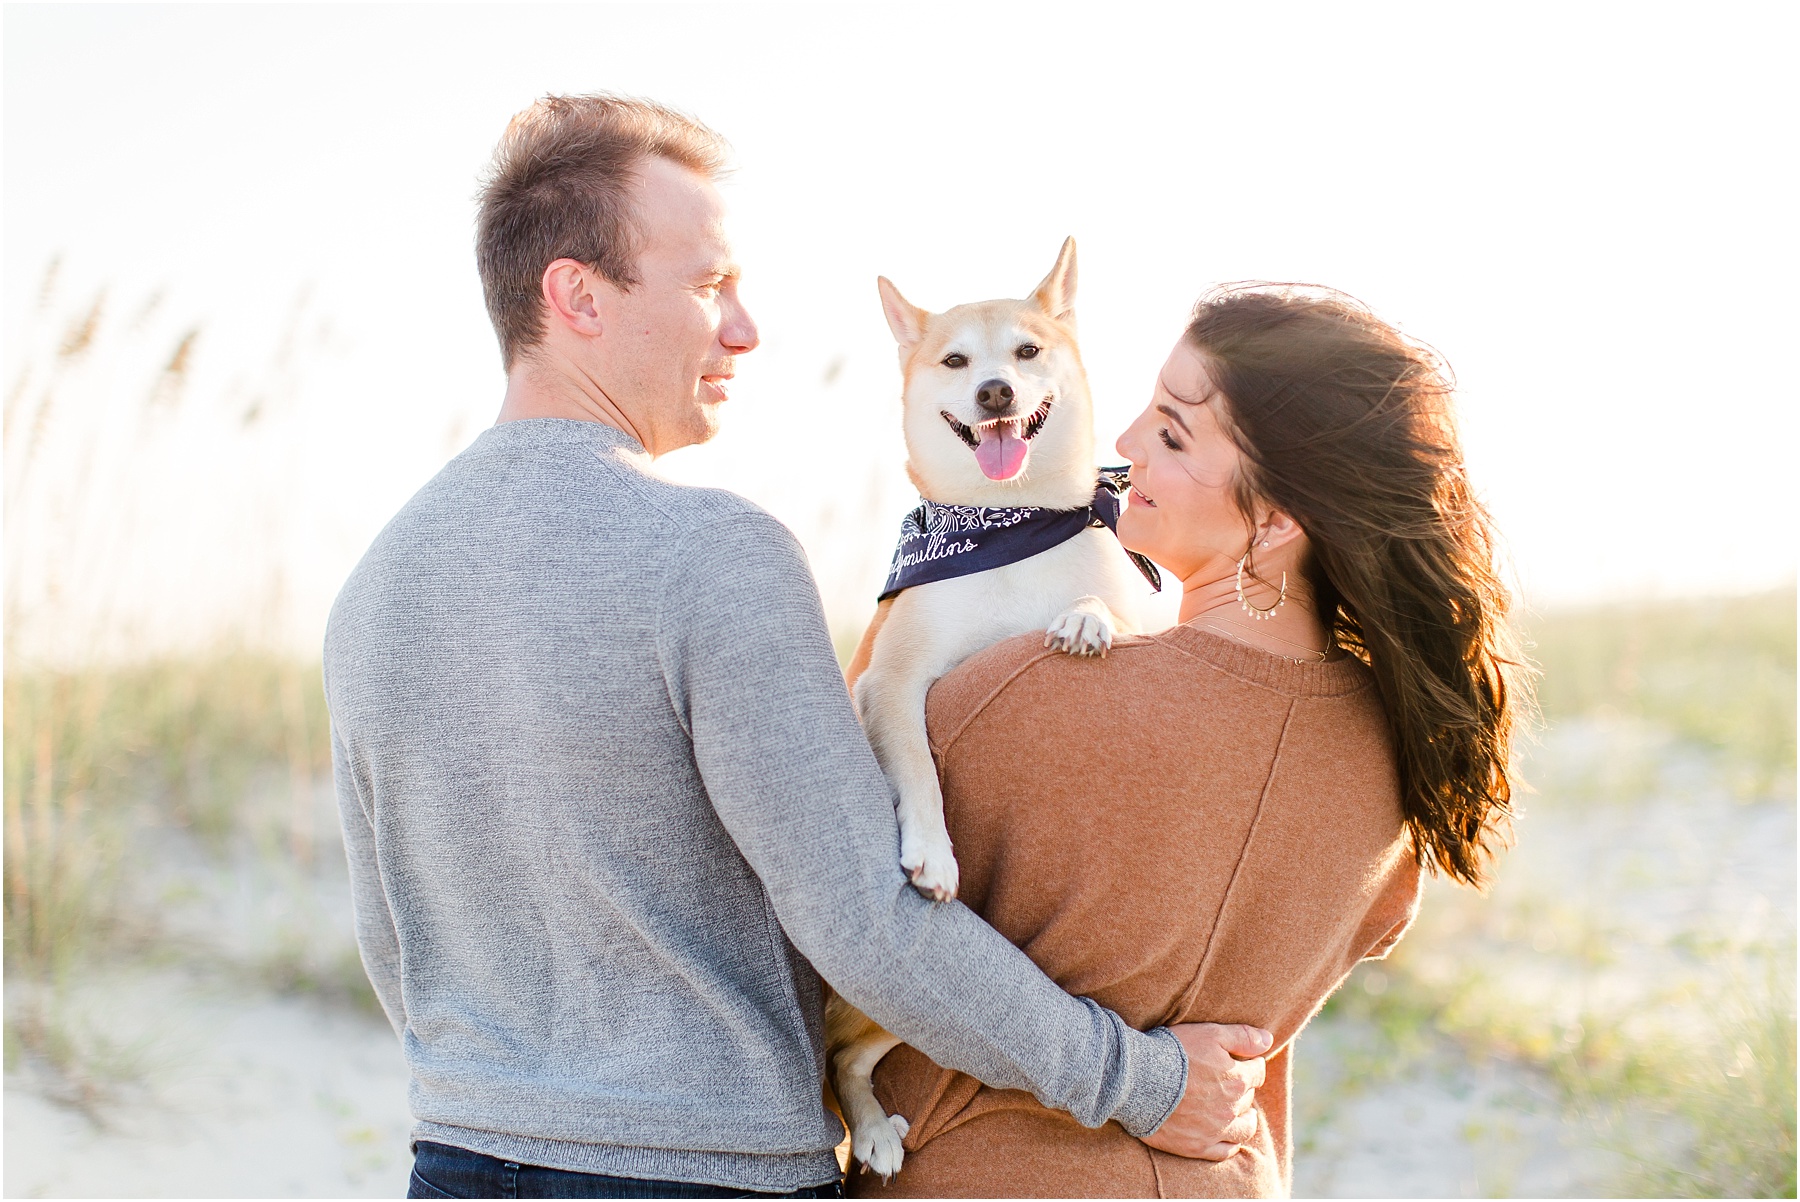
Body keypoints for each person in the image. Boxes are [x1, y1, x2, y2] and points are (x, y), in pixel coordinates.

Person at [323, 93, 1263, 1201]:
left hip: (455, 1161)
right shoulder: (714, 553)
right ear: (577, 295)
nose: (745, 328)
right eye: (710, 285)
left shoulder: (373, 587)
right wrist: (1141, 1080)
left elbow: (395, 944)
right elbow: (867, 921)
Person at [850, 286, 1528, 1198]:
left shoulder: (1011, 698)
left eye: (1171, 435)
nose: (1123, 444)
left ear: (1278, 519)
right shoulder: (1402, 759)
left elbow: (861, 936)